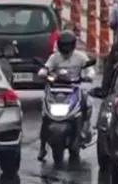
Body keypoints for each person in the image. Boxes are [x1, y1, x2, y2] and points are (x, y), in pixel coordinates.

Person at [36, 31, 93, 160]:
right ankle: (42, 147)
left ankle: (83, 131)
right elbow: (45, 69)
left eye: (68, 46)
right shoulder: (54, 57)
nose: (66, 49)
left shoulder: (80, 57)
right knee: (45, 114)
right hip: (56, 89)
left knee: (87, 103)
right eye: (64, 46)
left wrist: (89, 76)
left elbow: (89, 69)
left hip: (74, 88)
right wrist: (44, 73)